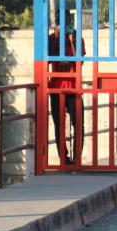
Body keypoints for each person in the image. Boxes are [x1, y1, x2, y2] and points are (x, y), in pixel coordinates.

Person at [47, 15, 85, 166]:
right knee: (59, 124)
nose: (65, 26)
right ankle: (63, 157)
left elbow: (80, 61)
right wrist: (55, 39)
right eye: (61, 23)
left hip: (73, 87)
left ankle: (77, 158)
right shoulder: (52, 38)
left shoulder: (77, 38)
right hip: (56, 87)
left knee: (78, 123)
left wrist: (72, 41)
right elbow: (47, 59)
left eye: (68, 22)